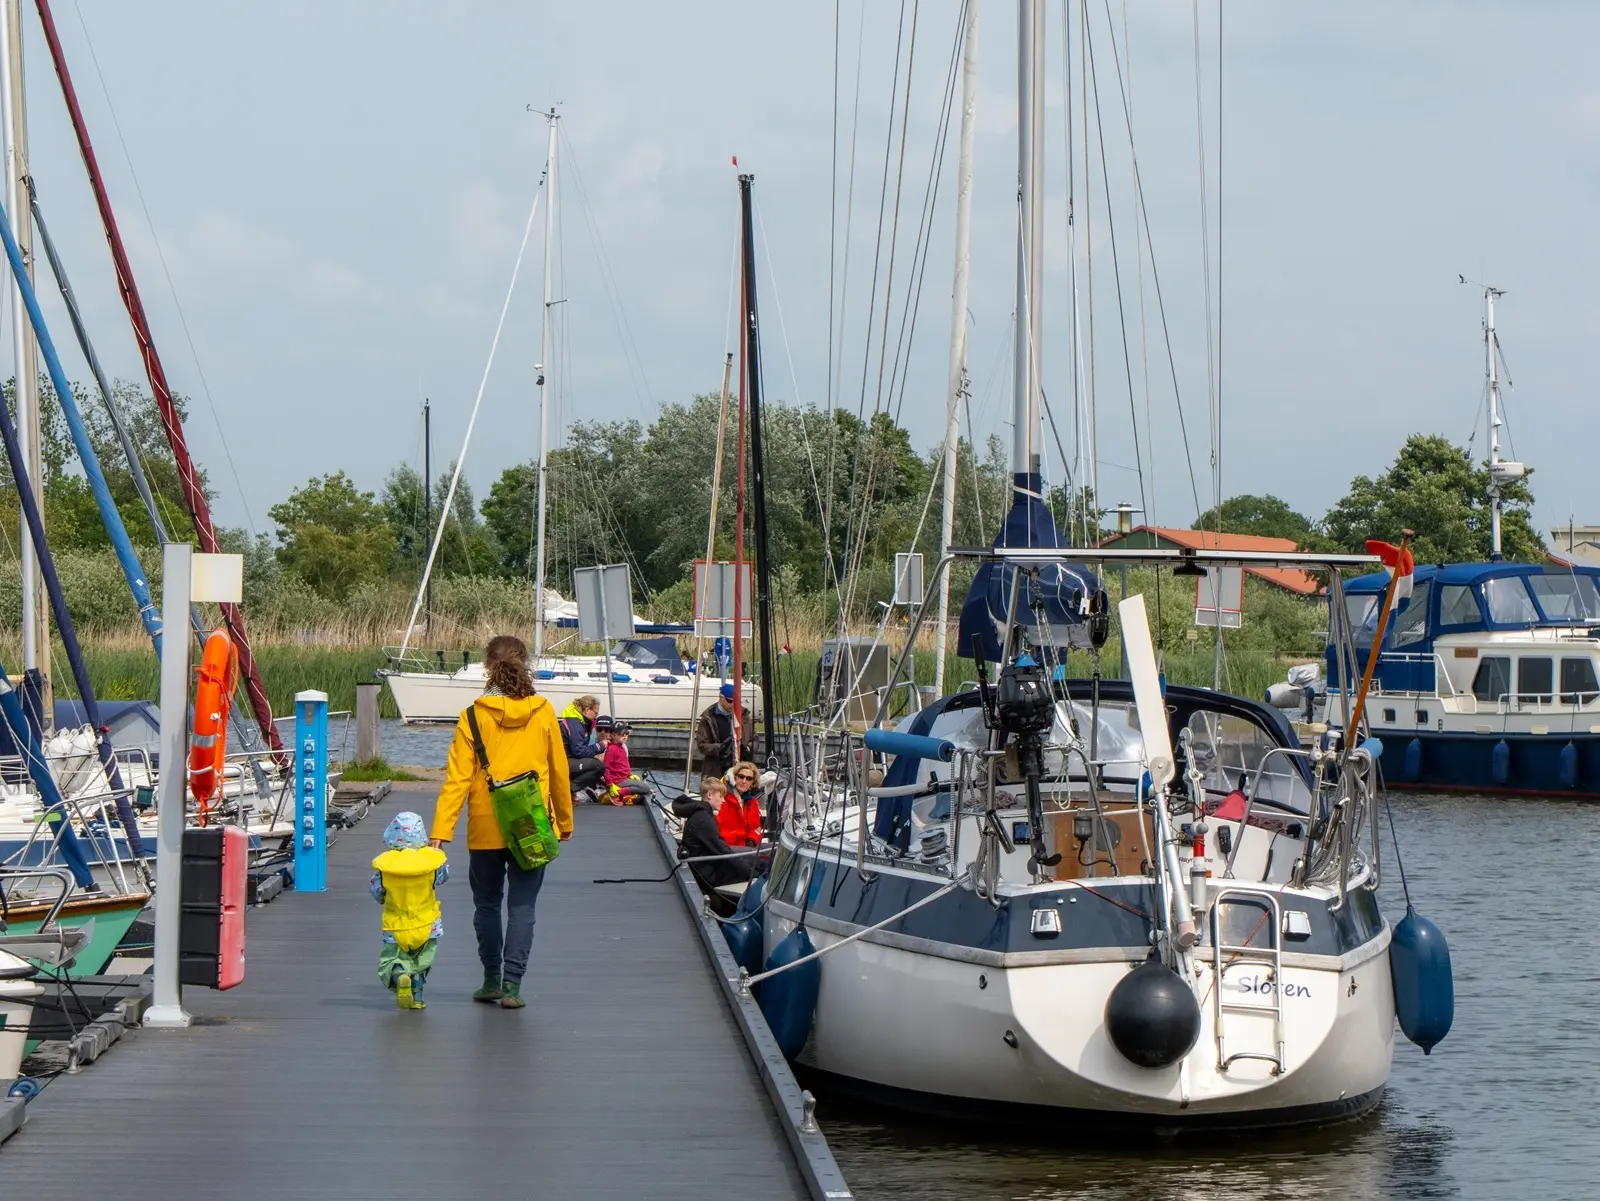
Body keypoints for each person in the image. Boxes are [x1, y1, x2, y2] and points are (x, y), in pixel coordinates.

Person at [431, 635, 573, 1009]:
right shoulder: (543, 711)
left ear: (486, 666)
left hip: (485, 823)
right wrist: (565, 821)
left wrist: (440, 832)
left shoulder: (473, 715)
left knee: (488, 905)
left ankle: (491, 978)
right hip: (530, 821)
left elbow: (457, 779)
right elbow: (559, 772)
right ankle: (512, 985)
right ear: (525, 662)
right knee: (523, 907)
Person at [370, 811, 448, 1011]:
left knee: (392, 959)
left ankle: (399, 974)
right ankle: (418, 998)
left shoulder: (386, 867)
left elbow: (378, 893)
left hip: (395, 926)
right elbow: (443, 877)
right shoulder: (431, 864)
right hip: (427, 923)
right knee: (421, 962)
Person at [672, 779, 752, 913]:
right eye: (720, 796)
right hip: (705, 874)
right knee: (757, 867)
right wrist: (750, 872)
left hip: (704, 866)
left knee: (753, 859)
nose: (723, 801)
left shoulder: (701, 815)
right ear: (710, 795)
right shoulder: (703, 820)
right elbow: (722, 851)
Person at [695, 682, 753, 781]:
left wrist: (747, 748)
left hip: (740, 770)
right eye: (730, 701)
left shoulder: (744, 716)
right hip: (716, 769)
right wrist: (721, 747)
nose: (733, 705)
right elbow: (702, 745)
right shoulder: (708, 717)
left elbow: (754, 739)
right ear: (721, 697)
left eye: (736, 702)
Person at [558, 695, 606, 798]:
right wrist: (600, 746)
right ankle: (568, 791)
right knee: (599, 767)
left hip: (567, 759)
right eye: (595, 713)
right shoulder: (575, 724)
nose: (596, 717)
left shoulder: (578, 722)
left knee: (591, 761)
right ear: (587, 710)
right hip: (563, 761)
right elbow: (578, 751)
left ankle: (573, 790)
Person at [718, 760, 765, 848]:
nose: (744, 781)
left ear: (752, 783)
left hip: (745, 846)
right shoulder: (722, 798)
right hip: (725, 847)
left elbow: (756, 827)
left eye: (749, 778)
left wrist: (752, 840)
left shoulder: (752, 801)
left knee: (774, 850)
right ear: (734, 778)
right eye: (741, 776)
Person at [601, 721, 650, 805]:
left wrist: (629, 774)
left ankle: (622, 795)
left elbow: (621, 766)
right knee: (645, 788)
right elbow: (606, 768)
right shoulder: (612, 749)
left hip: (624, 778)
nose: (624, 736)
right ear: (612, 735)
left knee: (641, 787)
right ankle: (618, 793)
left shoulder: (622, 748)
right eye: (621, 733)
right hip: (618, 781)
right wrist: (610, 784)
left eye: (626, 733)